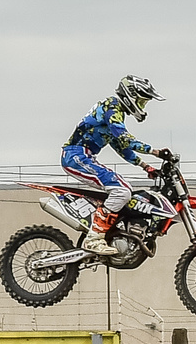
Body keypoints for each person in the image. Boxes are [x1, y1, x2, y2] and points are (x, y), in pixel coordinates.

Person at [61, 75, 169, 257]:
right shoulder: (112, 108)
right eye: (142, 101)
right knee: (121, 191)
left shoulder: (114, 110)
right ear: (131, 96)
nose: (142, 106)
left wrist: (145, 166)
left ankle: (110, 231)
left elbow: (120, 146)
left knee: (125, 188)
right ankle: (94, 238)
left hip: (83, 156)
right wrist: (155, 152)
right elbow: (125, 138)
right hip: (76, 156)